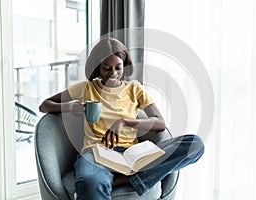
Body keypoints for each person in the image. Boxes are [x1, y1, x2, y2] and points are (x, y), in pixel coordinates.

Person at [39, 37, 204, 200]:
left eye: (118, 68)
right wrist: (68, 106)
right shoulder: (86, 88)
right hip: (96, 153)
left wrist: (125, 121)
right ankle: (130, 180)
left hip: (131, 154)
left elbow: (159, 122)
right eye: (106, 68)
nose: (113, 74)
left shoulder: (134, 89)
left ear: (124, 65)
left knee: (194, 145)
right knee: (89, 182)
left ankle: (129, 179)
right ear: (98, 67)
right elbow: (44, 105)